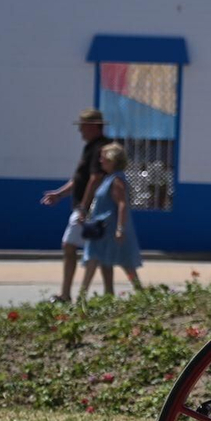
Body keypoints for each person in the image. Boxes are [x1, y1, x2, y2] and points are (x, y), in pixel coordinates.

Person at [40, 108, 107, 302]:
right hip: (84, 207)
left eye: (83, 127)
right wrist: (60, 194)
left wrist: (84, 207)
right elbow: (79, 179)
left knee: (75, 247)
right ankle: (70, 294)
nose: (80, 131)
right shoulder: (90, 147)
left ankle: (71, 294)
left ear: (94, 127)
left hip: (90, 208)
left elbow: (95, 179)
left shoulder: (100, 148)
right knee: (89, 251)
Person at [77, 142, 144, 298]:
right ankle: (109, 294)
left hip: (109, 228)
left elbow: (122, 204)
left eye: (103, 158)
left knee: (107, 260)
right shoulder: (109, 178)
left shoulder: (116, 180)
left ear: (112, 160)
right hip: (101, 228)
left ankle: (82, 297)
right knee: (105, 262)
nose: (100, 161)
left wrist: (120, 229)